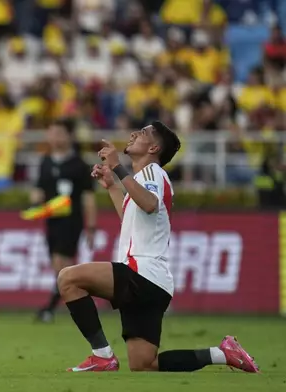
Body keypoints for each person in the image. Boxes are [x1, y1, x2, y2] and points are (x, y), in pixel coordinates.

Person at [57, 121, 259, 373]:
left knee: (68, 278)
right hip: (155, 282)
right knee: (144, 364)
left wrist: (118, 167)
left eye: (142, 133)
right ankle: (221, 354)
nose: (133, 134)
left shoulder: (152, 172)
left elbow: (150, 204)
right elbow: (133, 217)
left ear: (153, 147)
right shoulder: (142, 180)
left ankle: (102, 356)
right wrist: (112, 187)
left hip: (141, 272)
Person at [31, 118, 97, 323]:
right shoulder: (45, 161)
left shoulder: (79, 164)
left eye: (59, 133)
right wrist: (35, 201)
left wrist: (91, 225)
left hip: (71, 220)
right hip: (52, 221)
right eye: (52, 133)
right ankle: (76, 303)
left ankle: (50, 308)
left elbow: (88, 196)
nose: (55, 137)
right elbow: (39, 190)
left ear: (69, 136)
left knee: (63, 265)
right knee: (58, 267)